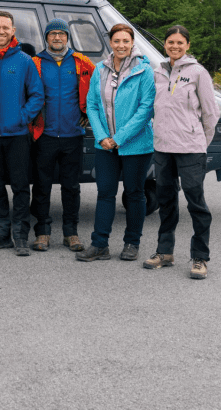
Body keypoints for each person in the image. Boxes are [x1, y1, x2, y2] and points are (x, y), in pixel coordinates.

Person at [145, 25, 219, 279]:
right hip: (163, 147)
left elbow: (211, 113)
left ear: (187, 45)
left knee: (196, 202)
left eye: (180, 42)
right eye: (170, 42)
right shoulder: (158, 71)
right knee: (165, 201)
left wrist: (199, 142)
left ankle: (200, 257)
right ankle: (164, 252)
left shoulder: (198, 72)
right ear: (164, 44)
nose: (174, 46)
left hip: (190, 149)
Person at [78, 23, 155, 262]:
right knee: (105, 194)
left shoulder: (144, 70)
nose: (121, 45)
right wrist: (102, 137)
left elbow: (146, 109)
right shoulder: (100, 69)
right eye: (116, 41)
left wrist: (119, 138)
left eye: (126, 41)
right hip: (105, 145)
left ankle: (132, 243)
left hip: (136, 144)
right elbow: (91, 104)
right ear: (110, 43)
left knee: (134, 193)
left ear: (132, 43)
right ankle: (99, 244)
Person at [0, 11, 44, 256]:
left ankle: (21, 236)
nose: (1, 31)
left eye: (6, 27)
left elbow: (37, 96)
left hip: (17, 135)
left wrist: (22, 117)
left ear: (13, 31)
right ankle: (1, 234)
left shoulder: (24, 61)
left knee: (21, 186)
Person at [28, 19, 95, 252]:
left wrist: (88, 112)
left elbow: (95, 90)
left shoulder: (81, 62)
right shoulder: (35, 62)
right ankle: (42, 232)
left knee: (71, 186)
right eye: (52, 34)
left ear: (68, 37)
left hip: (72, 134)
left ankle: (71, 232)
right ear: (46, 37)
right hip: (44, 134)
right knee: (41, 185)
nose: (57, 38)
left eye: (61, 33)